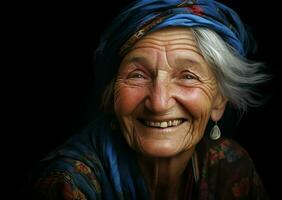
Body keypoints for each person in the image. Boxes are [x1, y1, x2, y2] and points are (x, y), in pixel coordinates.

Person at [28, 0, 269, 199]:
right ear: (111, 94)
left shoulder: (230, 167)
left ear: (219, 101)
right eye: (138, 75)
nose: (159, 103)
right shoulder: (64, 186)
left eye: (187, 76)